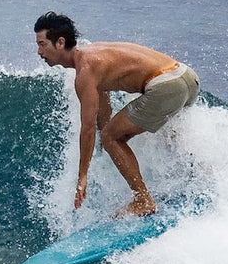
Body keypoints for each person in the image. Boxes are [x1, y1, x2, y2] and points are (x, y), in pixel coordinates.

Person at [34, 11, 200, 216]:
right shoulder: (95, 56)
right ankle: (199, 171)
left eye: (42, 44)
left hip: (166, 86)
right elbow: (103, 112)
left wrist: (82, 177)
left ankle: (143, 200)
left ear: (60, 42)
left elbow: (87, 129)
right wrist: (108, 145)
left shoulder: (85, 72)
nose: (39, 52)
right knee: (157, 131)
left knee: (111, 136)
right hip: (187, 78)